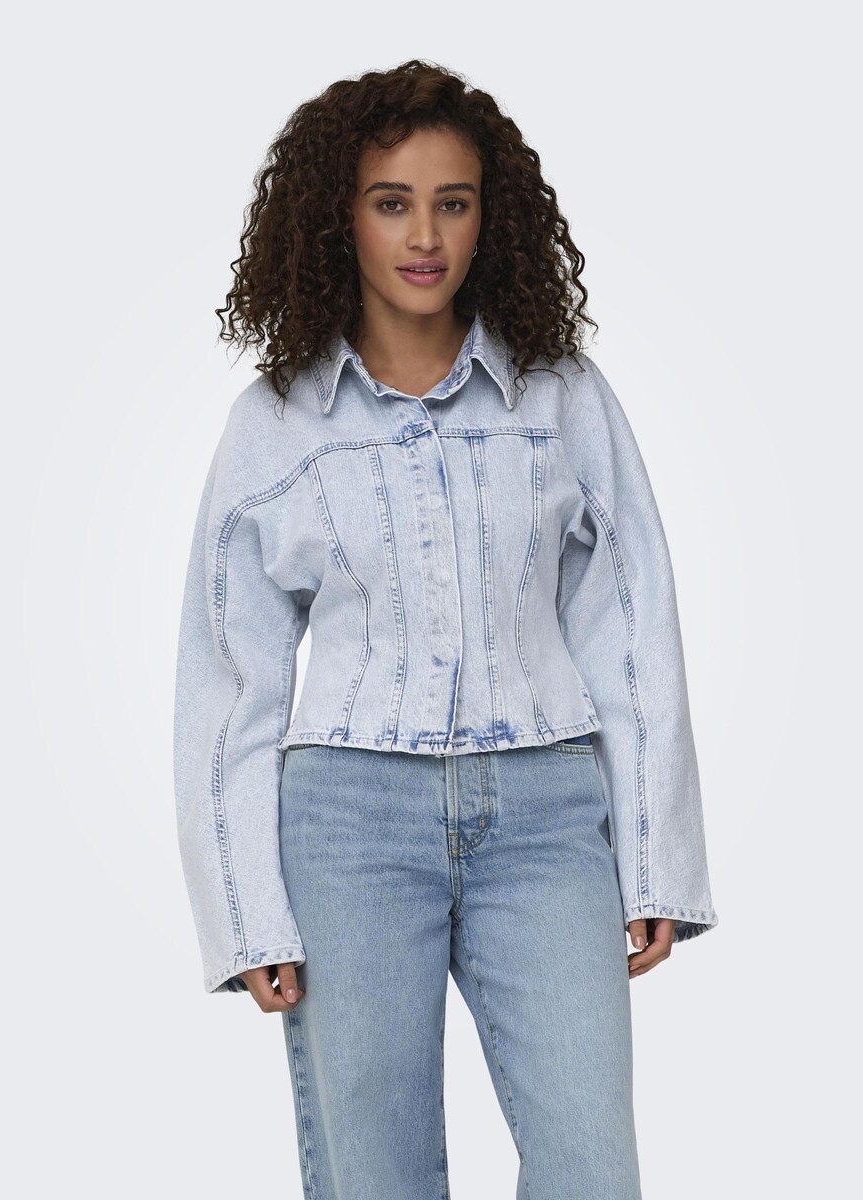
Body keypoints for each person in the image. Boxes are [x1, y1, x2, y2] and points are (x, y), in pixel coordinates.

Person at [173, 59, 718, 1200]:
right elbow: (228, 681)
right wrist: (245, 913)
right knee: (375, 1176)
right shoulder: (275, 424)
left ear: (488, 219)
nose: (425, 236)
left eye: (452, 203)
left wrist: (655, 857)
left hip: (547, 817)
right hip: (347, 826)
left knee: (591, 1166)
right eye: (392, 202)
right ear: (340, 219)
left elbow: (631, 624)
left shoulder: (561, 395)